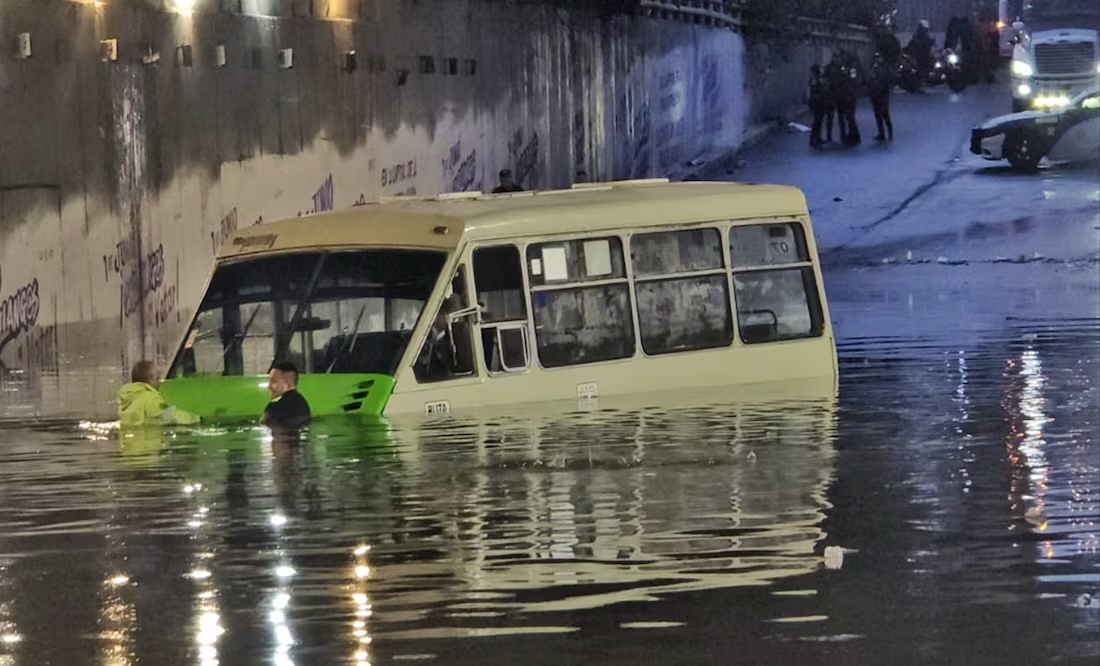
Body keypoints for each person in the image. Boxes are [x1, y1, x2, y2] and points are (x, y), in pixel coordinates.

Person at [118, 361, 199, 427]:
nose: (160, 382)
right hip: (150, 444)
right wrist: (196, 416)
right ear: (149, 380)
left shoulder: (127, 400)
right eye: (157, 378)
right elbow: (175, 417)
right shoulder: (151, 400)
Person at [262, 361, 312, 430]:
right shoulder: (303, 405)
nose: (269, 386)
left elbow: (265, 426)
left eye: (273, 381)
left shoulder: (275, 408)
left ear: (287, 384)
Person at [867, 53, 895, 142]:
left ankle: (890, 132)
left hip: (883, 94)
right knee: (878, 115)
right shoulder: (873, 68)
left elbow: (890, 79)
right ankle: (881, 133)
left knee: (885, 114)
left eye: (879, 58)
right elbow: (870, 80)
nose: (877, 60)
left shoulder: (886, 68)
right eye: (876, 58)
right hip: (875, 95)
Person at [807, 64, 831, 150]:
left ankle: (817, 138)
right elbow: (815, 91)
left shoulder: (818, 79)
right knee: (817, 122)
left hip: (821, 102)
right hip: (817, 103)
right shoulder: (814, 80)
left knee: (819, 121)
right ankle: (813, 138)